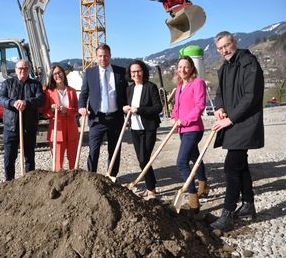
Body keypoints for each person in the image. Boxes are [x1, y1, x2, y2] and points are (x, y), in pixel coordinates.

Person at [210, 31, 264, 231]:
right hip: (232, 122)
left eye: (227, 45)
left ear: (235, 42)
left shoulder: (249, 63)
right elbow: (219, 93)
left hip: (246, 122)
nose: (225, 50)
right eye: (221, 48)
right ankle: (248, 204)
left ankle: (228, 213)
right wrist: (219, 107)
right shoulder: (224, 67)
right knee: (240, 165)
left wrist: (230, 119)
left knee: (231, 166)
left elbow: (250, 97)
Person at [78, 44, 128, 181]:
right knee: (94, 149)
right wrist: (82, 106)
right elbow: (83, 94)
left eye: (105, 55)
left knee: (115, 150)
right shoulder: (90, 73)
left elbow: (125, 93)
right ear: (96, 57)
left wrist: (127, 106)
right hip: (97, 118)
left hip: (116, 117)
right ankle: (92, 177)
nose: (103, 58)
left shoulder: (120, 72)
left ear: (110, 56)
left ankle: (112, 176)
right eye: (100, 56)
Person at [0, 59, 45, 180]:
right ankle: (9, 183)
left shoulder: (35, 84)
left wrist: (27, 103)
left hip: (29, 127)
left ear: (29, 70)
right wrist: (13, 103)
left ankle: (29, 184)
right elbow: (1, 98)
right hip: (11, 127)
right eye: (20, 68)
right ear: (15, 70)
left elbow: (40, 99)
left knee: (29, 158)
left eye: (25, 68)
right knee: (9, 158)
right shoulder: (7, 83)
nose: (23, 71)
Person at [171, 55, 207, 211]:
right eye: (180, 67)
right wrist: (174, 117)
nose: (182, 70)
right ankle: (204, 185)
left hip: (193, 128)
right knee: (194, 156)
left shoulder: (197, 83)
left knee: (181, 162)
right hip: (182, 129)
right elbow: (177, 107)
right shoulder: (179, 86)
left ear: (192, 68)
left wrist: (184, 120)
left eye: (185, 67)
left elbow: (199, 106)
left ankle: (193, 199)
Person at [123, 60, 162, 199]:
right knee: (141, 159)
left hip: (149, 128)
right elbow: (126, 105)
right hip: (135, 128)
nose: (136, 74)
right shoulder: (129, 89)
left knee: (144, 159)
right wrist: (125, 108)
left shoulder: (150, 87)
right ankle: (151, 186)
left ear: (143, 71)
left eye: (138, 71)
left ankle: (151, 188)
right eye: (133, 71)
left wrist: (139, 110)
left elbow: (158, 108)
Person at [42, 65, 79, 171]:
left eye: (60, 72)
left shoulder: (72, 91)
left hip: (72, 130)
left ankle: (75, 181)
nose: (58, 75)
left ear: (64, 73)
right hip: (57, 131)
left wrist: (67, 111)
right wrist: (52, 110)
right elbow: (44, 113)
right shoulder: (49, 92)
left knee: (74, 160)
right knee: (57, 163)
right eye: (55, 74)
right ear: (52, 77)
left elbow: (76, 110)